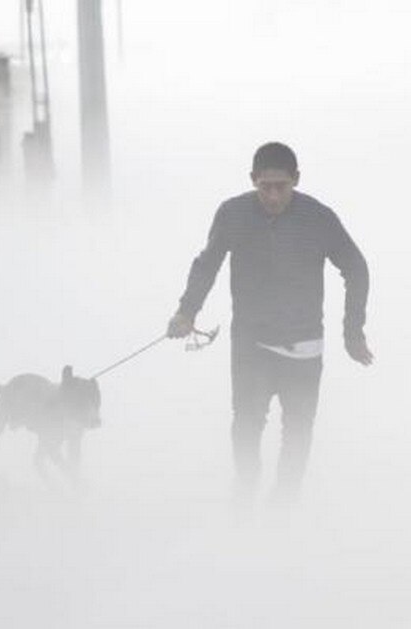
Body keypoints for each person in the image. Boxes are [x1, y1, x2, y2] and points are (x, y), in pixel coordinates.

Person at [167, 142, 372, 504]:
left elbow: (356, 269)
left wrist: (352, 332)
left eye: (281, 186)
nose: (273, 196)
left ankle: (283, 504)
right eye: (266, 187)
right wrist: (187, 311)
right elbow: (207, 264)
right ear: (253, 180)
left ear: (296, 179)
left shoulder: (318, 219)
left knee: (298, 431)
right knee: (246, 425)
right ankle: (245, 492)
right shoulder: (233, 214)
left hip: (304, 347)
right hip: (252, 344)